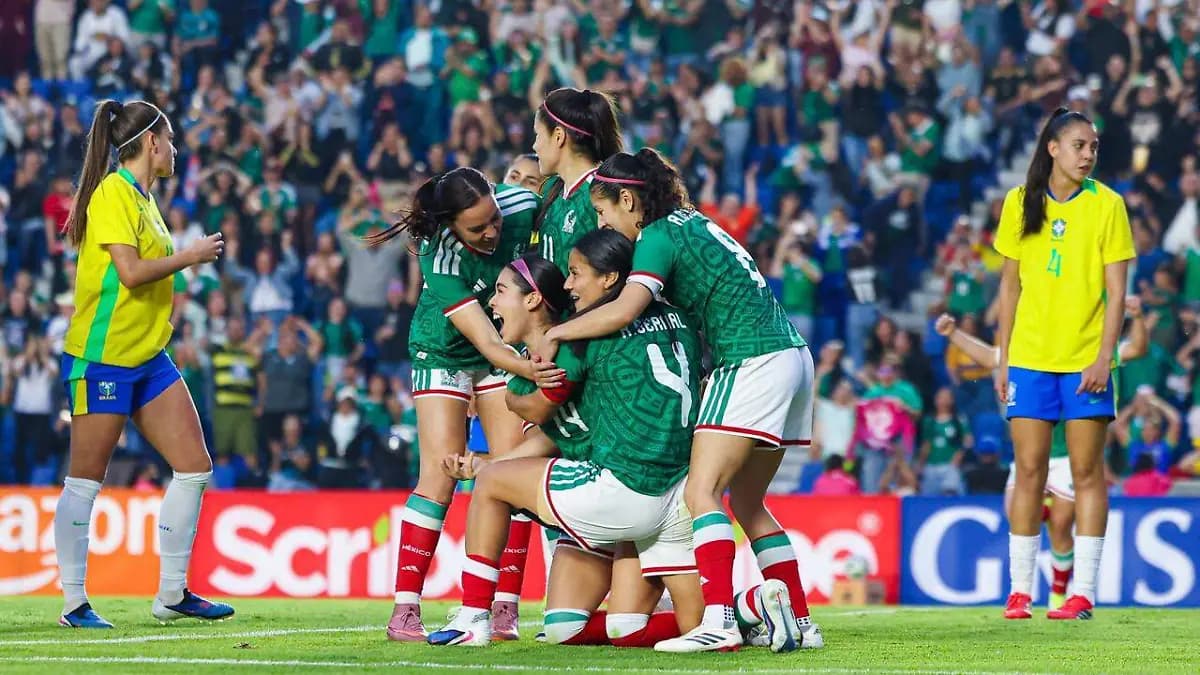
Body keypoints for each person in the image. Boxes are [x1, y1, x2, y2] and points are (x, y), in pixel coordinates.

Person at [430, 232, 798, 652]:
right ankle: (751, 608)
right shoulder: (674, 317)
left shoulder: (579, 336)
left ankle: (474, 617)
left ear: (608, 280)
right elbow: (553, 438)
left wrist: (509, 398)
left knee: (495, 485)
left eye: (576, 273)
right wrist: (487, 462)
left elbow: (536, 411)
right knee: (651, 626)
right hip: (678, 490)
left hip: (620, 486)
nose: (570, 285)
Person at [541, 149, 822, 652]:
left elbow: (626, 309)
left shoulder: (656, 236)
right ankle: (799, 620)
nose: (605, 223)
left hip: (751, 357)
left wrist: (557, 332)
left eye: (605, 212)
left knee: (701, 494)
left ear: (629, 199)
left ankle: (718, 621)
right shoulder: (695, 222)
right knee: (751, 504)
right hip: (793, 354)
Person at [54, 99, 230, 628]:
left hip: (149, 356)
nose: (175, 150)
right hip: (102, 358)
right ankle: (73, 602)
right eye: (170, 140)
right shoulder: (112, 192)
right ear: (151, 143)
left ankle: (172, 595)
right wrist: (190, 256)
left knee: (195, 468)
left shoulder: (144, 199)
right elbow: (130, 273)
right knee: (85, 479)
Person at [371, 167, 550, 642]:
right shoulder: (441, 258)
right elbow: (488, 344)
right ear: (450, 224)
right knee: (440, 473)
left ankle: (504, 609)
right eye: (477, 228)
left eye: (493, 218)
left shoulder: (520, 206)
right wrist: (532, 369)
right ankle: (405, 609)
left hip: (503, 346)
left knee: (510, 471)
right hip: (447, 349)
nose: (492, 231)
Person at [993, 108, 1135, 621]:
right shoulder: (1018, 203)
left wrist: (1104, 356)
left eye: (1093, 147)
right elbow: (1010, 285)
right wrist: (1002, 359)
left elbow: (1118, 293)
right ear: (1052, 148)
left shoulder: (1109, 206)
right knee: (1028, 471)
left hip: (1084, 362)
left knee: (1086, 474)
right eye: (1079, 145)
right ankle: (1018, 592)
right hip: (1030, 359)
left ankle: (1084, 593)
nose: (1088, 155)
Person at [937, 297, 1146, 610]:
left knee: (1061, 526)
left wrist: (1139, 317)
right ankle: (1022, 592)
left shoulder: (1091, 350)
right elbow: (993, 356)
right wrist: (953, 334)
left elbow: (1136, 348)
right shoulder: (1030, 351)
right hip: (1032, 458)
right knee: (1016, 512)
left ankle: (1059, 593)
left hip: (1066, 460)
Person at [529, 87, 623, 273]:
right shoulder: (551, 189)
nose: (534, 146)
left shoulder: (601, 195)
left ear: (558, 136)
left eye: (537, 135)